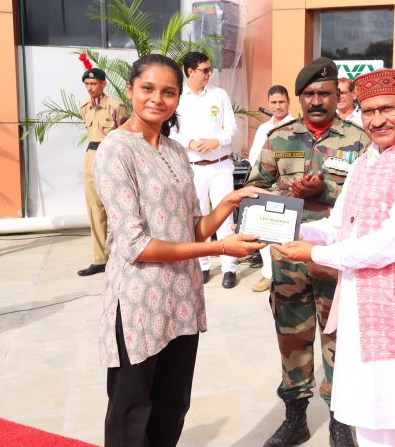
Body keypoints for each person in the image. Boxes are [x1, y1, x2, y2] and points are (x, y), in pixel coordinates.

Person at [93, 54, 264, 447]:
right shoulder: (116, 150)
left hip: (181, 299)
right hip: (138, 302)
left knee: (172, 406)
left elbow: (191, 227)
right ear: (130, 90)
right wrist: (220, 247)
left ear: (178, 97)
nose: (158, 99)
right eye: (148, 89)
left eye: (168, 91)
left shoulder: (174, 151)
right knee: (131, 412)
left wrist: (227, 204)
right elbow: (135, 246)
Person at [273, 68, 395, 446]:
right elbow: (341, 225)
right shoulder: (368, 158)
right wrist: (293, 231)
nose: (377, 120)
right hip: (362, 313)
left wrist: (315, 253)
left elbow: (390, 243)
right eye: (368, 112)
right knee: (370, 418)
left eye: (387, 109)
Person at [247, 57, 370, 447]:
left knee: (339, 344)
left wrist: (325, 192)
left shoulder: (360, 141)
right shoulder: (279, 138)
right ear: (300, 98)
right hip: (288, 261)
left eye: (325, 93)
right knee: (292, 340)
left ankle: (339, 422)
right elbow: (255, 188)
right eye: (309, 94)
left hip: (336, 263)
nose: (317, 100)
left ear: (338, 96)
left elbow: (371, 198)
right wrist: (289, 193)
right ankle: (295, 418)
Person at [169, 51, 239, 288]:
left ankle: (230, 267)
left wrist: (216, 141)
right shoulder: (178, 98)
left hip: (221, 166)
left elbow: (231, 127)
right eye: (205, 70)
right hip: (193, 168)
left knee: (226, 215)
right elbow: (171, 132)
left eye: (210, 70)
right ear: (190, 71)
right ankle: (202, 266)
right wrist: (189, 142)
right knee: (197, 217)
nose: (210, 74)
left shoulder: (219, 95)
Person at [77, 55, 129, 276]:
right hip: (91, 156)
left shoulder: (117, 107)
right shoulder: (84, 108)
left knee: (119, 208)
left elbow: (127, 135)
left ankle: (124, 255)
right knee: (94, 209)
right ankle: (100, 259)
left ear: (103, 84)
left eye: (94, 84)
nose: (90, 88)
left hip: (112, 157)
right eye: (87, 84)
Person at [247, 85, 295, 293]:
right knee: (265, 231)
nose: (278, 106)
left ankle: (288, 276)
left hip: (289, 188)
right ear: (269, 104)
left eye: (281, 102)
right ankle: (268, 274)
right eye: (274, 103)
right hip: (267, 188)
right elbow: (253, 157)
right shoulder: (262, 129)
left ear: (288, 102)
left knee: (287, 235)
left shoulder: (297, 126)